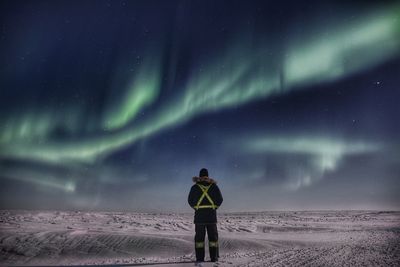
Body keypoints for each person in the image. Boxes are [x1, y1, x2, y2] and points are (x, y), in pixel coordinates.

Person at [188, 168, 223, 262]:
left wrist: (197, 207)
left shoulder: (194, 187)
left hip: (199, 218)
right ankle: (214, 257)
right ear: (208, 176)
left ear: (199, 176)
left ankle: (200, 258)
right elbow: (220, 199)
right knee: (213, 239)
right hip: (211, 217)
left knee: (199, 240)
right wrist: (213, 207)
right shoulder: (214, 186)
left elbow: (190, 201)